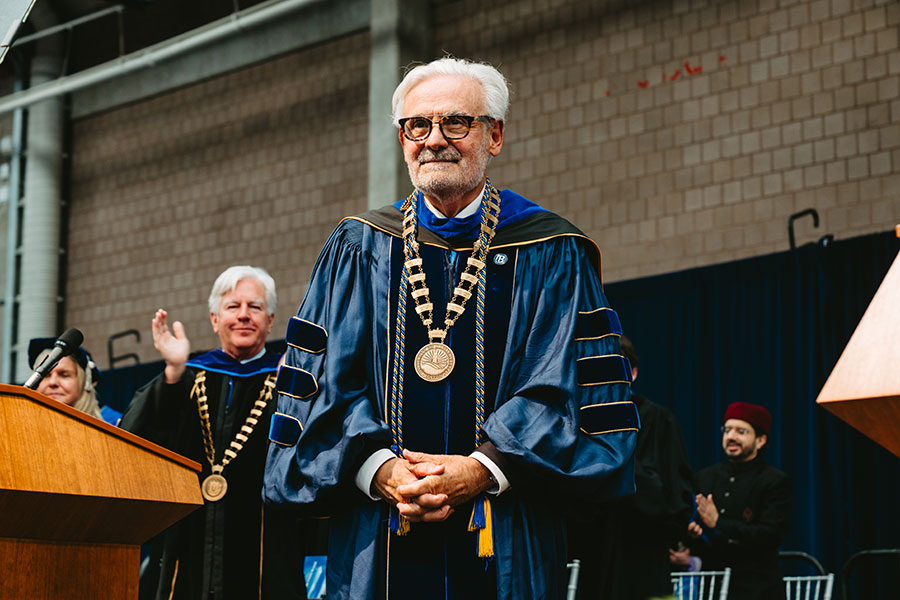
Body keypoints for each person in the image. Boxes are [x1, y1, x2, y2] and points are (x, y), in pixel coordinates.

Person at [263, 57, 639, 600]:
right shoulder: (359, 247)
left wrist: (484, 468)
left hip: (509, 534)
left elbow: (568, 389)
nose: (434, 139)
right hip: (379, 539)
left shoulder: (552, 250)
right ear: (402, 139)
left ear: (495, 135)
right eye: (418, 125)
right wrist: (381, 470)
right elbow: (321, 388)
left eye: (455, 123)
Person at [119, 265, 307, 600]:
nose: (244, 316)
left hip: (266, 543)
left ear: (271, 320)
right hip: (191, 539)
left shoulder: (288, 380)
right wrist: (173, 373)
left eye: (255, 307)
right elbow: (140, 436)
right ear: (215, 319)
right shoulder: (189, 377)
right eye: (233, 307)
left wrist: (292, 392)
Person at [569, 336, 694, 600]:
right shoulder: (574, 421)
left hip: (641, 560)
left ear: (633, 373)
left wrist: (617, 458)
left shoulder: (658, 420)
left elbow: (674, 499)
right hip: (586, 558)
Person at [684, 402, 792, 600]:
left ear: (760, 441)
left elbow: (770, 535)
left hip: (757, 589)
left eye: (741, 431)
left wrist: (719, 524)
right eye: (727, 430)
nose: (731, 437)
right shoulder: (705, 477)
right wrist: (693, 535)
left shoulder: (774, 481)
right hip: (712, 587)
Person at [28, 337, 119, 423]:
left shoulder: (115, 426)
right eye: (45, 375)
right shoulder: (23, 424)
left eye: (64, 375)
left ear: (84, 382)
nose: (53, 382)